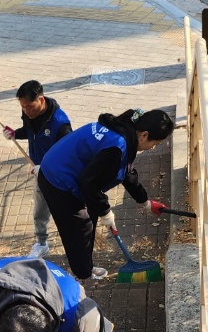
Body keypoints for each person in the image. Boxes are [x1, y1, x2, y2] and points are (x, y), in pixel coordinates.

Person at [37, 107, 175, 280]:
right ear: (144, 135)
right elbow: (89, 183)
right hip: (57, 179)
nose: (153, 148)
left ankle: (85, 266)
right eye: (154, 144)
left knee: (91, 216)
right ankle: (81, 276)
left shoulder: (124, 131)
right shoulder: (117, 146)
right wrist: (105, 211)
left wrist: (145, 202)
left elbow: (126, 171)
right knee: (80, 227)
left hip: (65, 168)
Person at [1, 80, 73, 258]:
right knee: (40, 210)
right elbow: (29, 130)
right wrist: (15, 134)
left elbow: (68, 154)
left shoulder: (60, 124)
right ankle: (41, 243)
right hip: (39, 172)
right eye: (23, 107)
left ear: (41, 99)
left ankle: (73, 244)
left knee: (65, 211)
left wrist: (47, 167)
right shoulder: (29, 113)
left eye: (29, 106)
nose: (26, 111)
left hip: (58, 175)